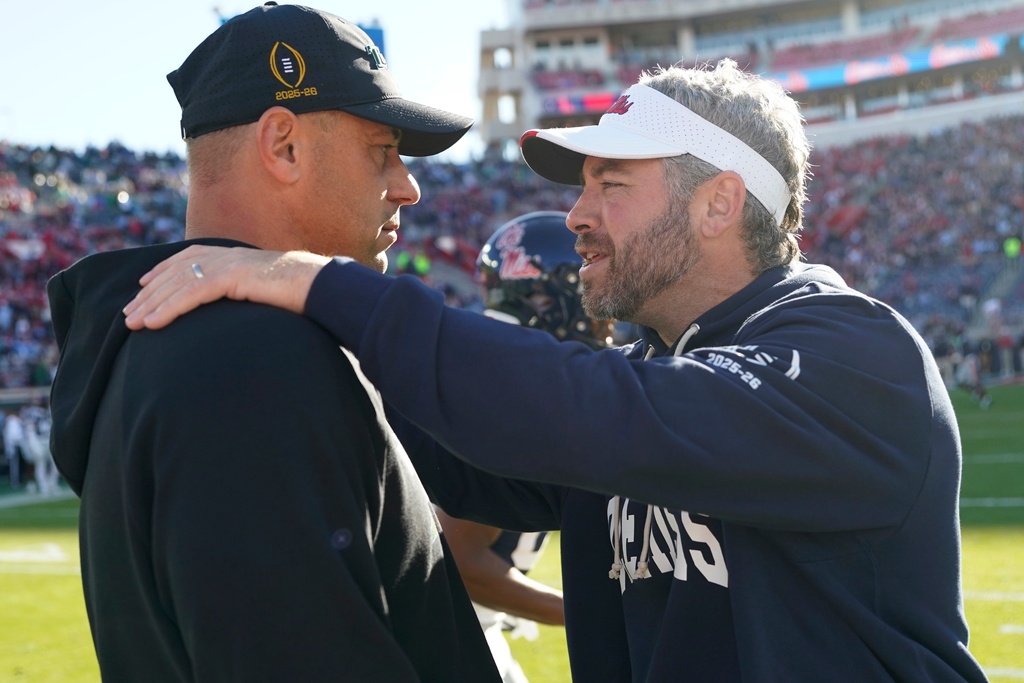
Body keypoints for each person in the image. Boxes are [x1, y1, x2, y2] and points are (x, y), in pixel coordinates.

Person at [123, 60, 990, 682]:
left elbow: (602, 411)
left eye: (610, 183)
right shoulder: (653, 365)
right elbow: (451, 448)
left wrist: (322, 284)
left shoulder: (853, 355)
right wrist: (266, 349)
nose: (574, 214)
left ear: (720, 200)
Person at [47, 4, 500, 681]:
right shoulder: (251, 361)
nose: (407, 187)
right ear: (284, 145)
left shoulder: (180, 347)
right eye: (382, 151)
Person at [440, 211, 612, 682]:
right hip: (452, 632)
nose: (607, 317)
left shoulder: (491, 376)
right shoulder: (508, 400)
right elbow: (462, 561)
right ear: (553, 301)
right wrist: (578, 611)